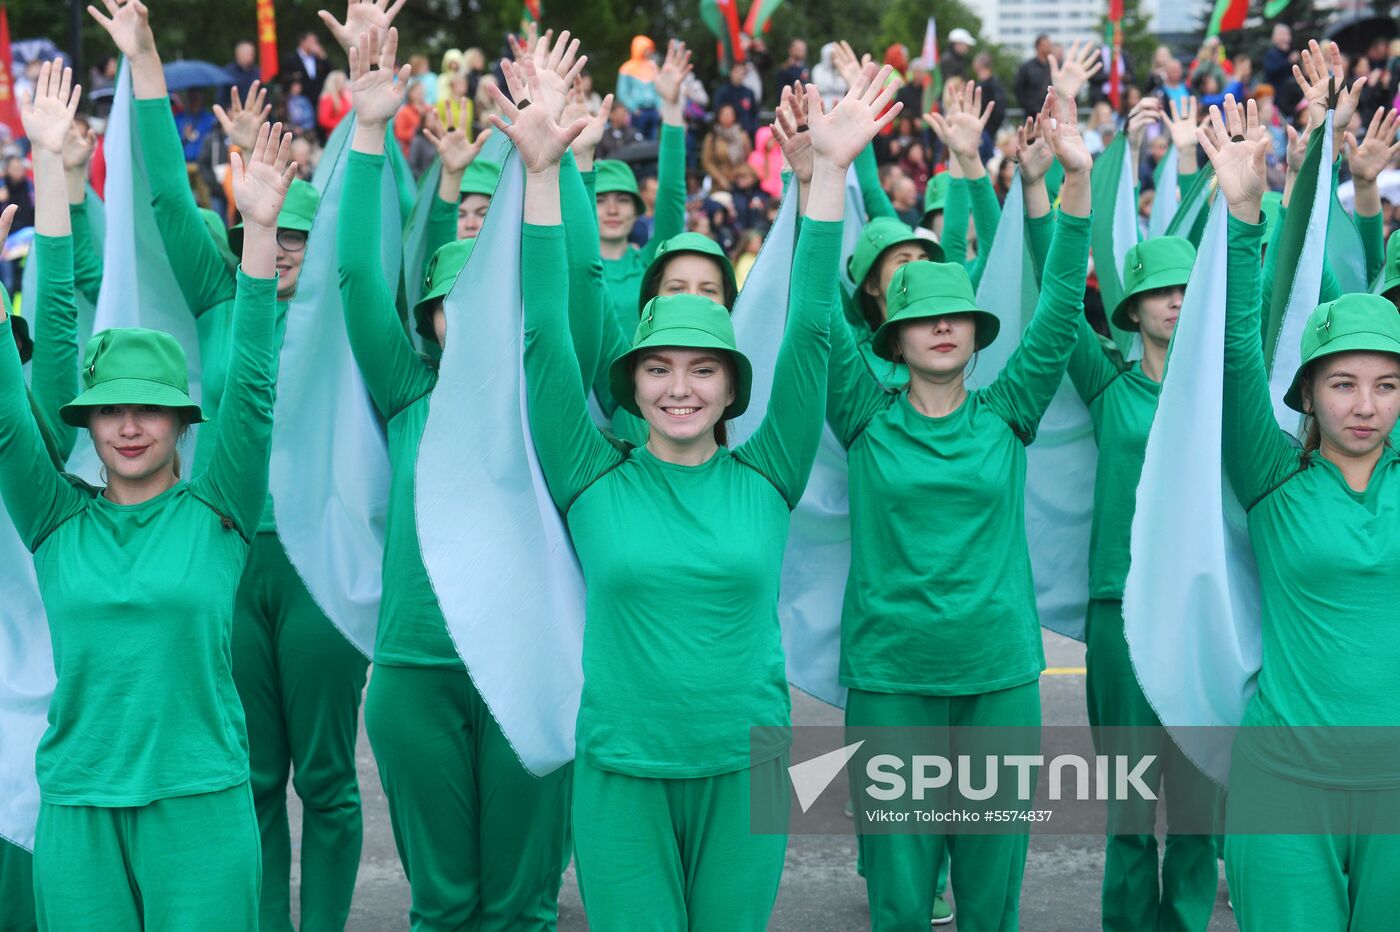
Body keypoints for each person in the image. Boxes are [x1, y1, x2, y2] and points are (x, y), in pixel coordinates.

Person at [498, 38, 899, 924]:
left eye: (703, 369)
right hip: (620, 775)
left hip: (746, 772)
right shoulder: (590, 474)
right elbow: (544, 335)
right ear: (632, 382)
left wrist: (828, 181)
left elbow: (812, 331)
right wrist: (541, 176)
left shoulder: (768, 472)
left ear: (731, 386)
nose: (679, 388)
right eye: (658, 368)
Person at [93, 2, 375, 929]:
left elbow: (379, 218)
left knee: (327, 780)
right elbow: (166, 202)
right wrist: (143, 63)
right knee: (250, 777)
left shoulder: (346, 308)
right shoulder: (221, 296)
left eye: (300, 234)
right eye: (272, 229)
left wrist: (367, 94)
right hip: (225, 557)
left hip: (320, 565)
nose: (284, 247)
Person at [1, 53, 291, 928]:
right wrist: (47, 167)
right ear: (87, 423)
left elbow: (253, 386)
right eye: (111, 410)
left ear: (182, 420)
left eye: (152, 409)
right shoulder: (56, 517)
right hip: (79, 808)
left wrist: (260, 234)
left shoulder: (219, 510)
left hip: (200, 806)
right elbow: (19, 401)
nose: (130, 426)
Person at [830, 89, 1092, 931]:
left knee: (989, 902)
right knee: (901, 902)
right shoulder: (864, 415)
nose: (942, 327)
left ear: (978, 332)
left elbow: (1061, 306)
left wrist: (1075, 182)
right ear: (893, 335)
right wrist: (823, 178)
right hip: (890, 682)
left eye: (957, 316)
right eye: (922, 316)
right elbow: (812, 311)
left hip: (998, 681)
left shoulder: (1008, 411)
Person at [336, 27, 575, 930]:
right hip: (416, 674)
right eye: (448, 300)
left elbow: (575, 282)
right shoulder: (405, 399)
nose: (466, 313)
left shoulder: (547, 404)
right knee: (441, 908)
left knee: (521, 909)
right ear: (430, 316)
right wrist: (367, 132)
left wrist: (552, 159)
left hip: (528, 665)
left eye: (486, 295)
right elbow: (356, 276)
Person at [1198, 91, 1400, 932]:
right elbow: (1235, 356)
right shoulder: (1273, 479)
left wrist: (1360, 190)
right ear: (1307, 394)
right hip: (1283, 789)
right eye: (1343, 383)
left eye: (1387, 385)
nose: (1366, 405)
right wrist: (1245, 215)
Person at [595, 40, 690, 329]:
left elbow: (671, 194)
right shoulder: (572, 265)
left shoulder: (650, 263)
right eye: (600, 200)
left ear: (636, 209)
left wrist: (671, 108)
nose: (612, 209)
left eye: (623, 199)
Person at [616, 35, 660, 140]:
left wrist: (660, 107)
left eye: (650, 49)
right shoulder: (627, 67)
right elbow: (622, 92)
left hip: (653, 110)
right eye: (646, 48)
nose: (649, 52)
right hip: (637, 112)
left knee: (653, 141)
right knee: (637, 140)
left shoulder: (653, 67)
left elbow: (659, 90)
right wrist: (633, 108)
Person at [701, 103, 753, 190]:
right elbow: (707, 161)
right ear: (719, 116)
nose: (728, 116)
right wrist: (720, 178)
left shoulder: (742, 136)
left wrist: (746, 176)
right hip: (720, 182)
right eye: (725, 114)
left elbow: (750, 158)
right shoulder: (712, 137)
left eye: (730, 114)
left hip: (740, 181)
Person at [713, 62, 760, 138]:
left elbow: (754, 113)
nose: (739, 75)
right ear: (731, 72)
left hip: (746, 133)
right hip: (726, 134)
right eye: (736, 72)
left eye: (742, 73)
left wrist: (752, 128)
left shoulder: (749, 93)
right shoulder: (722, 92)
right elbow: (717, 111)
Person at [283, 28, 330, 101]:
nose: (315, 44)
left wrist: (323, 56)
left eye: (316, 42)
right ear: (302, 42)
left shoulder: (319, 58)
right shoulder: (292, 59)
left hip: (318, 97)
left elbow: (331, 72)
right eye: (311, 42)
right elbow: (284, 77)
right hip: (300, 99)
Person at [1014, 34, 1053, 116]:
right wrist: (1028, 107)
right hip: (1031, 113)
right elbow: (1018, 89)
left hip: (1051, 112)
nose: (1049, 47)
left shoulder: (1053, 66)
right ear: (1038, 47)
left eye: (1049, 45)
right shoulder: (1027, 67)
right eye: (1046, 45)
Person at [772, 38, 810, 103]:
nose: (802, 51)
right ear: (790, 50)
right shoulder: (784, 70)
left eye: (803, 49)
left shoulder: (805, 67)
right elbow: (780, 94)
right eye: (799, 49)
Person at [317, 70, 353, 137]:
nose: (345, 84)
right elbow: (323, 120)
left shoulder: (343, 96)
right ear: (336, 83)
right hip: (336, 134)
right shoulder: (328, 98)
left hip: (346, 132)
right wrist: (340, 125)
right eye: (343, 81)